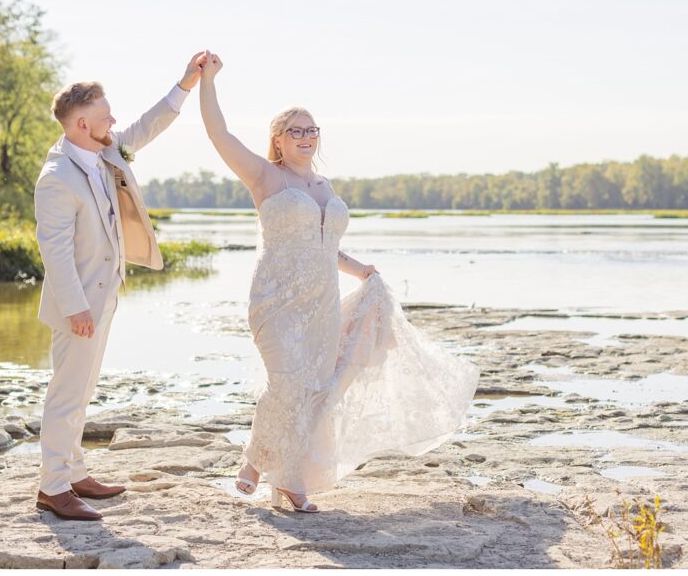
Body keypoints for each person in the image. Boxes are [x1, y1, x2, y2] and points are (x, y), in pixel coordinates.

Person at [197, 50, 479, 513]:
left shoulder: (325, 188)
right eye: (296, 130)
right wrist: (208, 80)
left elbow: (327, 249)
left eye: (312, 130)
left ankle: (288, 479)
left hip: (322, 302)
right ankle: (256, 460)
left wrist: (361, 270)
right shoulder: (265, 177)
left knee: (313, 391)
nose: (306, 137)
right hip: (277, 300)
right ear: (278, 140)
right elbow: (218, 133)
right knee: (285, 383)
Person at [33, 52, 206, 520]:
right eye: (105, 114)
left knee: (83, 390)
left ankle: (74, 472)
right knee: (67, 393)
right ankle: (53, 487)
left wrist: (186, 83)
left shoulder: (105, 149)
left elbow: (149, 125)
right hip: (79, 304)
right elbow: (55, 251)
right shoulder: (55, 179)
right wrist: (77, 307)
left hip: (104, 296)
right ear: (82, 124)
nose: (114, 119)